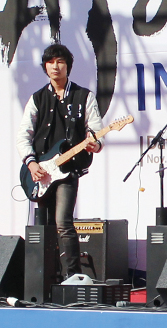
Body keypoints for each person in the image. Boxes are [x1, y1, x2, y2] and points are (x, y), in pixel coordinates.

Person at [16, 44, 104, 279]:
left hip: (68, 169)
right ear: (45, 66)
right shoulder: (37, 98)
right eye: (51, 62)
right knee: (45, 226)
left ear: (68, 66)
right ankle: (47, 278)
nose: (55, 66)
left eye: (60, 62)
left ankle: (73, 276)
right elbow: (23, 135)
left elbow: (95, 129)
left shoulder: (84, 96)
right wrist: (32, 164)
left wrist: (95, 143)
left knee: (63, 222)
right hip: (42, 171)